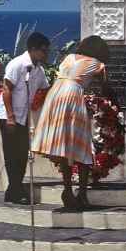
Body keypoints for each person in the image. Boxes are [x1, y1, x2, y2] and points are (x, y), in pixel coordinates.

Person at [31, 36, 110, 211]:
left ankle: (67, 190)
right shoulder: (97, 64)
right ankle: (81, 193)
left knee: (64, 147)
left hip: (55, 95)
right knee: (82, 147)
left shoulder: (69, 58)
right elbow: (106, 87)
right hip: (72, 96)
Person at [0, 32, 50, 204]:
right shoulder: (17, 64)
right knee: (11, 154)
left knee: (22, 155)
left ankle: (13, 191)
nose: (46, 54)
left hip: (23, 117)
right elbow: (6, 89)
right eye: (43, 51)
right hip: (7, 116)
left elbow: (45, 89)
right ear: (32, 49)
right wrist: (10, 117)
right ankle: (16, 191)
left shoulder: (39, 70)